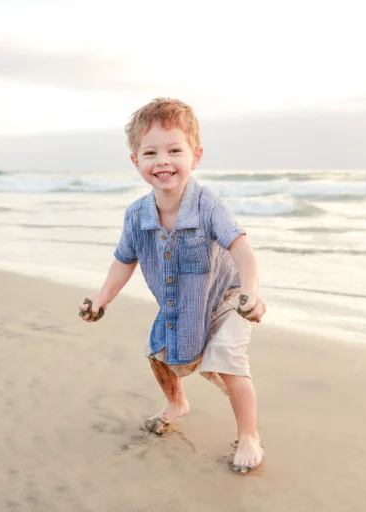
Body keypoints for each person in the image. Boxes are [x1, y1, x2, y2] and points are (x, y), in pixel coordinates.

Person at [78, 97, 267, 474]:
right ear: (136, 162)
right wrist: (101, 300)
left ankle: (249, 436)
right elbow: (124, 261)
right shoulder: (137, 215)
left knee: (230, 362)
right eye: (150, 152)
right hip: (183, 302)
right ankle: (177, 403)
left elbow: (242, 249)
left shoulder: (208, 204)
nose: (162, 161)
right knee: (157, 353)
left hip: (228, 297)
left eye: (174, 150)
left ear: (195, 156)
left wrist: (251, 293)